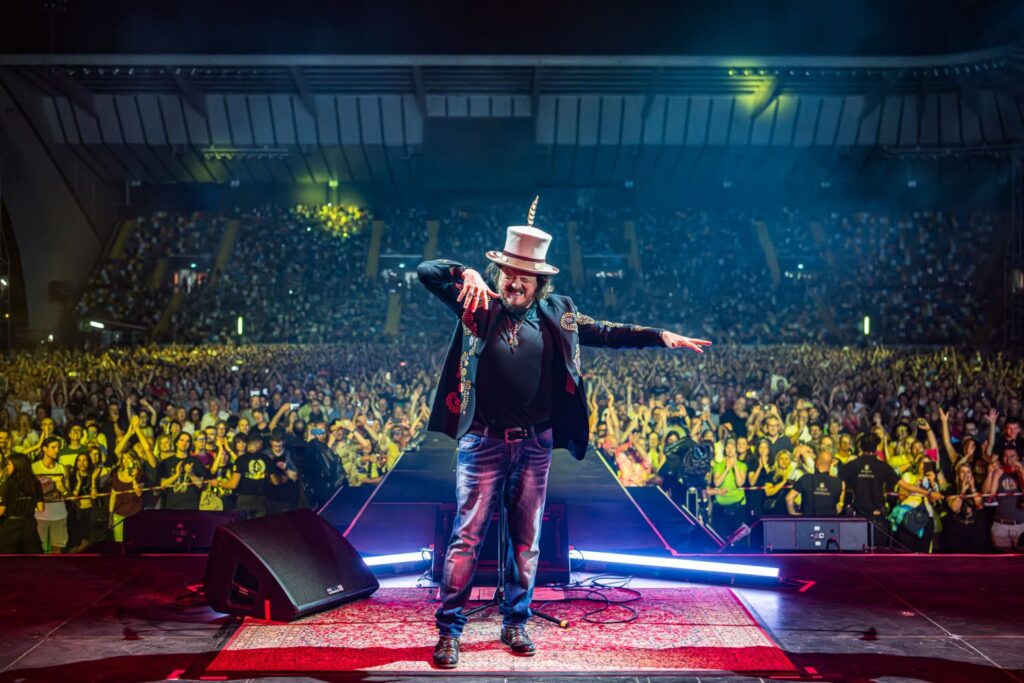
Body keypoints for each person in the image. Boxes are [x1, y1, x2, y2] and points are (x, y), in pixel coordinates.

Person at [418, 203, 712, 669]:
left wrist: (660, 336)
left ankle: (515, 621)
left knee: (526, 540)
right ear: (498, 273)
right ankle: (449, 630)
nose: (514, 283)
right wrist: (464, 271)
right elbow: (426, 272)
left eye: (525, 277)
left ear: (540, 283)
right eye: (508, 273)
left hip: (535, 444)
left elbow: (608, 333)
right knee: (467, 537)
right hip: (483, 442)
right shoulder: (477, 303)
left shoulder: (560, 313)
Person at [0, 453, 45, 553]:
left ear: (17, 466)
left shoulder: (8, 484)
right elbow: (41, 507)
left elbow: (1, 511)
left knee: (7, 559)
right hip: (29, 525)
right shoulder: (35, 482)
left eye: (9, 464)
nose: (7, 467)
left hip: (11, 527)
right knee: (31, 559)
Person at [32, 437, 69, 553]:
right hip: (39, 515)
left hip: (59, 514)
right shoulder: (34, 468)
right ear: (44, 449)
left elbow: (69, 495)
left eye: (58, 447)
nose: (57, 450)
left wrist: (63, 489)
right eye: (53, 447)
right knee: (40, 549)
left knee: (56, 548)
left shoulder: (62, 468)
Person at [983, 447, 1024, 550]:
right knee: (1001, 558)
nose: (1008, 459)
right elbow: (985, 493)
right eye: (1005, 456)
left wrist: (1021, 473)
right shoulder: (998, 471)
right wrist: (990, 473)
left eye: (1012, 456)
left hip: (1020, 524)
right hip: (1000, 524)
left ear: (1018, 458)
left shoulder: (1021, 470)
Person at [786, 449, 844, 517]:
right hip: (829, 521)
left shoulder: (806, 478)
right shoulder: (839, 482)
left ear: (817, 462)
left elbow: (789, 498)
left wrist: (792, 513)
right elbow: (840, 507)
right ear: (831, 464)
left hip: (808, 520)